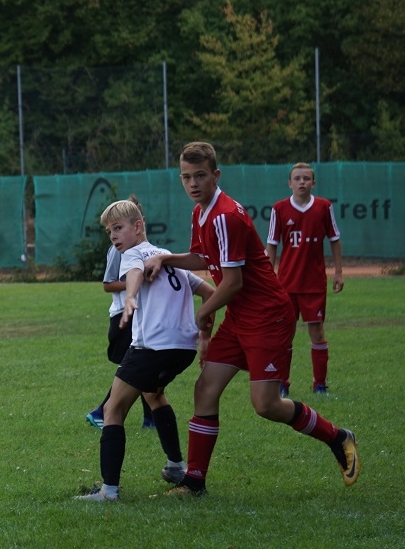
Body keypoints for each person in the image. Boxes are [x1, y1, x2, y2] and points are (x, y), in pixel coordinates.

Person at [145, 141, 358, 496]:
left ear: (216, 175)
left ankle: (338, 437)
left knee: (266, 405)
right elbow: (202, 257)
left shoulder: (225, 215)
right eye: (186, 177)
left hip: (267, 315)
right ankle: (194, 481)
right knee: (205, 388)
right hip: (240, 315)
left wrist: (204, 312)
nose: (193, 183)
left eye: (200, 176)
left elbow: (233, 282)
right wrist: (165, 258)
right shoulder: (200, 213)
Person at [76, 198, 215, 501]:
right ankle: (176, 466)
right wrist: (204, 336)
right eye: (109, 231)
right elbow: (209, 292)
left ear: (138, 226)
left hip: (152, 347)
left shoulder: (133, 253)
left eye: (118, 228)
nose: (113, 236)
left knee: (112, 409)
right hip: (183, 349)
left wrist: (130, 296)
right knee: (154, 395)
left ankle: (109, 491)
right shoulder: (167, 257)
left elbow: (135, 272)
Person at [266, 162, 344, 397]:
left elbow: (334, 239)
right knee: (284, 334)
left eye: (306, 178)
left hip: (314, 284)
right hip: (286, 284)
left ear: (313, 183)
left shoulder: (323, 207)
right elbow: (272, 245)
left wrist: (338, 272)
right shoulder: (279, 209)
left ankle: (319, 385)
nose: (302, 182)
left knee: (317, 332)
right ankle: (282, 383)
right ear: (289, 183)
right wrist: (268, 277)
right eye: (297, 178)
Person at [84, 245, 155, 430]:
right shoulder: (118, 249)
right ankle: (101, 412)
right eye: (111, 231)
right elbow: (108, 284)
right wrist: (136, 281)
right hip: (124, 315)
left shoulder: (148, 249)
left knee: (144, 365)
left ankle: (150, 419)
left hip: (141, 313)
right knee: (136, 367)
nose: (114, 235)